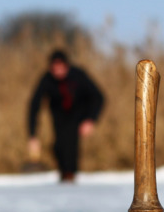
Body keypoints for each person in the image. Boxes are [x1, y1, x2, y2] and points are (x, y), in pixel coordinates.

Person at [27, 49, 105, 181]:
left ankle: (70, 176)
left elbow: (98, 97)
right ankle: (64, 176)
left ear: (67, 66)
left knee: (70, 145)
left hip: (78, 114)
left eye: (61, 67)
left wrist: (90, 119)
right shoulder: (46, 79)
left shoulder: (78, 75)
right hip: (58, 116)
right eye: (54, 68)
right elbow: (34, 106)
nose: (58, 71)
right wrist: (33, 135)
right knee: (58, 146)